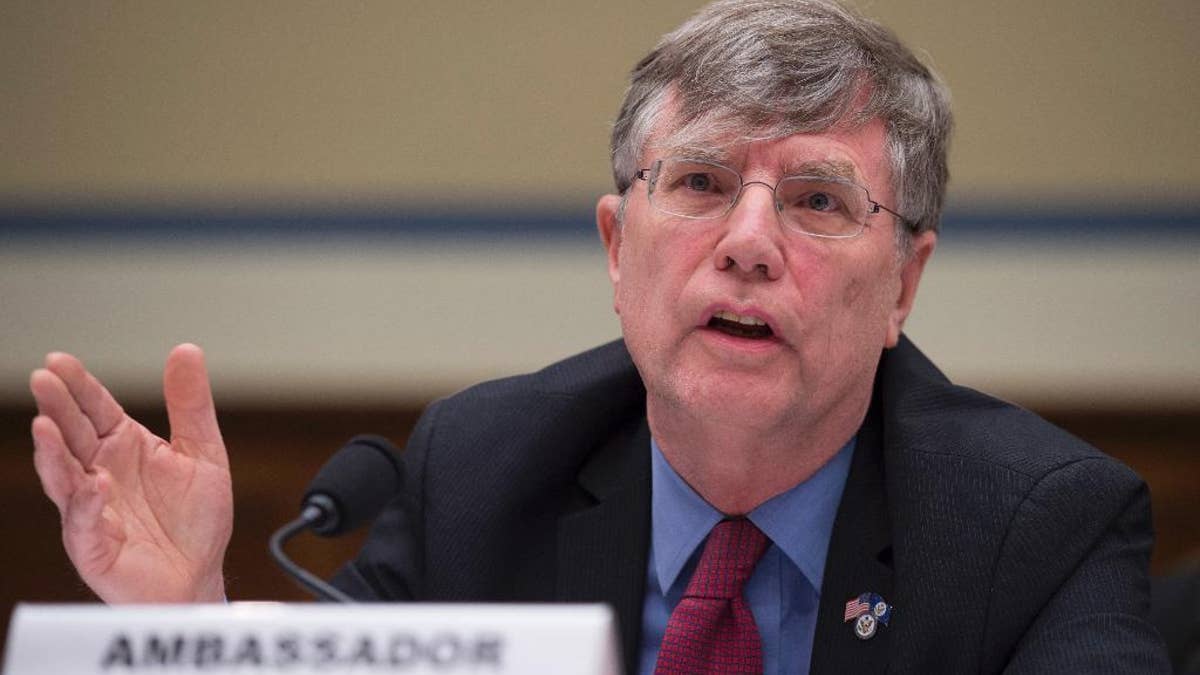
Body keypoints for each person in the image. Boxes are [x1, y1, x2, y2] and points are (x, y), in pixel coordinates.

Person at [29, 0, 1170, 672]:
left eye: (818, 201)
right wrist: (183, 621)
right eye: (702, 182)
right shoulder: (483, 470)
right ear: (617, 249)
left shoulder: (1038, 528)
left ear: (906, 283)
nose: (749, 242)